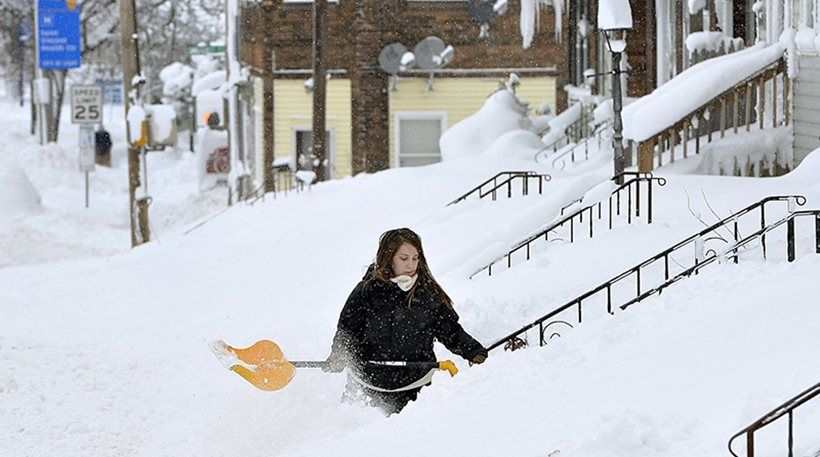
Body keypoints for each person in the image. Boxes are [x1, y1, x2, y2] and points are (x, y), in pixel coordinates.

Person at [324, 228, 488, 415]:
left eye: (415, 258)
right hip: (366, 387)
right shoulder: (367, 291)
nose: (411, 265)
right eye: (404, 258)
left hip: (415, 390)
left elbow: (450, 330)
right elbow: (347, 330)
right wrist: (340, 354)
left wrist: (473, 352)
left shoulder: (428, 294)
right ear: (389, 257)